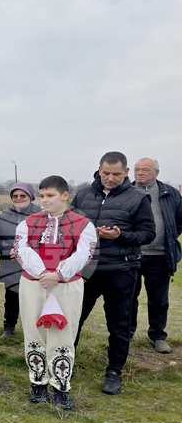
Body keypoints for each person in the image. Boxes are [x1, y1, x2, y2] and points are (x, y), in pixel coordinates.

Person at [71, 151, 155, 396]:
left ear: (126, 172)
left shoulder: (138, 198)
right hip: (85, 269)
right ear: (99, 169)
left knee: (118, 324)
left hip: (121, 269)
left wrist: (121, 235)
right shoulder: (83, 194)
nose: (110, 178)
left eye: (116, 174)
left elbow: (148, 234)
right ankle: (66, 361)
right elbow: (69, 224)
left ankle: (114, 372)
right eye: (106, 173)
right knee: (74, 318)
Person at [13, 176, 96, 410]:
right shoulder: (28, 222)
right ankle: (38, 382)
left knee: (64, 333)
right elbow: (21, 249)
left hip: (66, 285)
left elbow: (83, 254)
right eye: (42, 196)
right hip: (34, 283)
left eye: (50, 195)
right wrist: (42, 273)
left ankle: (61, 386)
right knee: (34, 331)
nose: (45, 200)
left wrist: (58, 274)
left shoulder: (83, 224)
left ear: (65, 195)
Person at [129, 158, 182, 354]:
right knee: (128, 297)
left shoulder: (169, 193)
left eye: (145, 169)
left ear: (156, 172)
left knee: (159, 300)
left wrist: (168, 237)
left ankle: (157, 336)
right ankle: (127, 333)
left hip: (160, 256)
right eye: (137, 169)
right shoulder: (126, 191)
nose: (140, 172)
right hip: (131, 254)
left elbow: (179, 220)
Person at [0, 183, 42, 337]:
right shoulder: (4, 216)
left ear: (30, 197)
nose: (18, 199)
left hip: (33, 267)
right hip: (10, 265)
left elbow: (45, 239)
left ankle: (34, 329)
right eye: (15, 196)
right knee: (11, 298)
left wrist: (25, 252)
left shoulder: (41, 215)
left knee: (34, 300)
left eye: (23, 196)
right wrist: (8, 250)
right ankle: (9, 327)